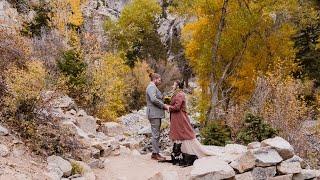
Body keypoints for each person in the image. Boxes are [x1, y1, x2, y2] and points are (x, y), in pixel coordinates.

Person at [168, 80, 217, 158]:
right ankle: (180, 153)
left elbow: (177, 107)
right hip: (177, 117)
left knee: (183, 133)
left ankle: (187, 153)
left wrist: (168, 107)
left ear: (177, 86)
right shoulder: (177, 94)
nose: (172, 86)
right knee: (179, 134)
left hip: (180, 118)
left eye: (174, 85)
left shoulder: (180, 94)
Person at [146, 73, 170, 160]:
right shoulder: (151, 87)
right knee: (155, 134)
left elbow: (158, 98)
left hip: (155, 114)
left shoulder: (153, 87)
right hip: (154, 114)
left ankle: (155, 153)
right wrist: (164, 106)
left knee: (156, 134)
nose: (160, 82)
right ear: (155, 79)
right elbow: (153, 99)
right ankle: (155, 154)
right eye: (159, 80)